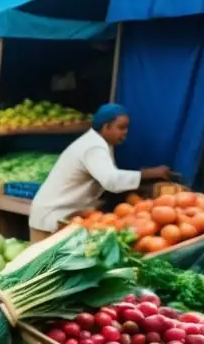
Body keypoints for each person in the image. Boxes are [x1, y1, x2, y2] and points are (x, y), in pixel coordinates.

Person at [29, 103, 172, 241]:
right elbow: (112, 181)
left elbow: (107, 178)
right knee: (43, 264)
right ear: (106, 126)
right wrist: (150, 173)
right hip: (51, 217)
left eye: (127, 128)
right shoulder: (93, 147)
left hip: (63, 216)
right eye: (121, 127)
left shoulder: (101, 144)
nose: (126, 132)